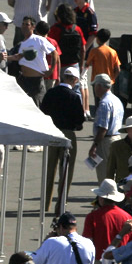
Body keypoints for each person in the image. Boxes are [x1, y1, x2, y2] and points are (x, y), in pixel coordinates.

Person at [40, 69, 85, 209]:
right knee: (66, 170)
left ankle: (45, 203)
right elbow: (80, 120)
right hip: (68, 134)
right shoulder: (74, 97)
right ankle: (60, 203)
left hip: (52, 132)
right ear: (75, 80)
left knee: (50, 168)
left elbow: (43, 111)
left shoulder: (51, 93)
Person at [88, 74, 123, 182]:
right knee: (114, 172)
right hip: (117, 138)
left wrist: (94, 145)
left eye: (95, 86)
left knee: (105, 175)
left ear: (99, 86)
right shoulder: (116, 100)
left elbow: (103, 128)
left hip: (106, 141)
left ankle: (105, 197)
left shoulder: (104, 103)